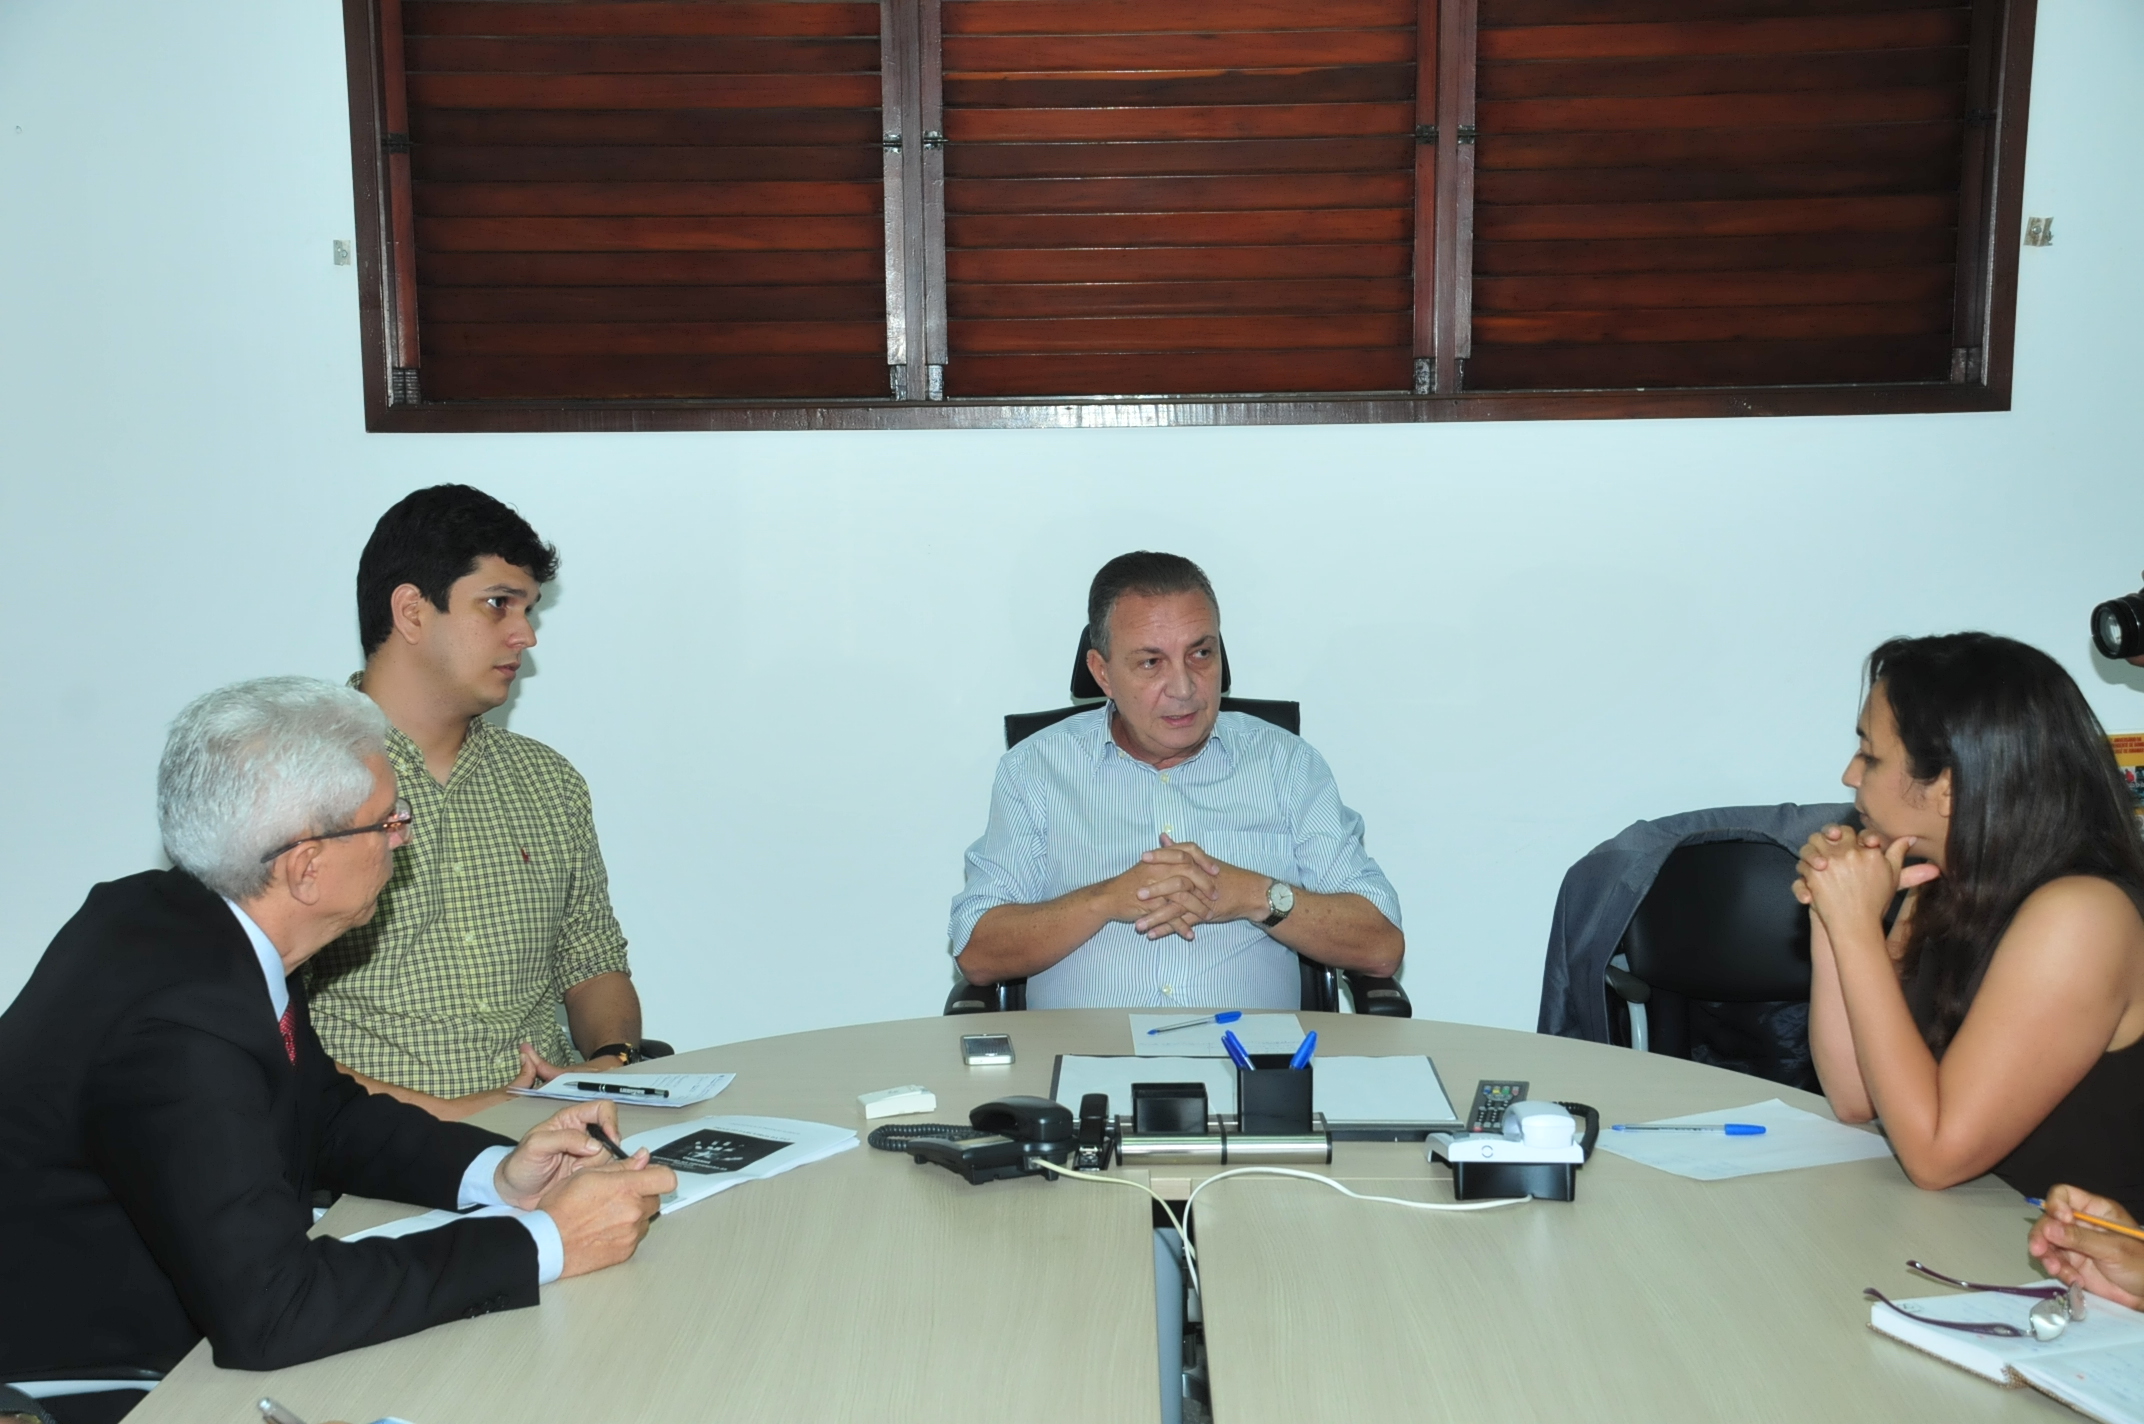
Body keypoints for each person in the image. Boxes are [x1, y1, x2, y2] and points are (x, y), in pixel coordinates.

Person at [0, 678, 674, 1420]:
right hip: (110, 1383)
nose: (403, 834)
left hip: (193, 1332)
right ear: (306, 866)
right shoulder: (180, 1032)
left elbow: (322, 1116)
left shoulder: (175, 920)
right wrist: (546, 1241)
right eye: (387, 821)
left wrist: (499, 1176)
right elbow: (274, 1310)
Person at [308, 485, 648, 1120]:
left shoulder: (547, 782)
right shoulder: (299, 780)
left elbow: (593, 960)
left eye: (530, 611)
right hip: (369, 1160)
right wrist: (480, 1112)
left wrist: (610, 1062)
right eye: (498, 605)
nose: (525, 636)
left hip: (550, 1138)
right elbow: (266, 1037)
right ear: (411, 612)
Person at [951, 551, 1403, 1009]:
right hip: (1087, 1063)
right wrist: (1106, 900)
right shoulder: (1036, 769)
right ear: (1102, 672)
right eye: (1151, 663)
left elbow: (1381, 946)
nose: (1184, 688)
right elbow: (978, 953)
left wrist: (1253, 895)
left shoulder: (1285, 764)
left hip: (1250, 1065)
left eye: (1200, 654)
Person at [1798, 632, 2144, 1206]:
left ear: (1950, 788)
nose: (1850, 776)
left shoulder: (2083, 916)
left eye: (1871, 755)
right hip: (1972, 1236)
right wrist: (1832, 916)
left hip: (2077, 1277)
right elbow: (1858, 1095)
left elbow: (1936, 1156)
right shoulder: (1942, 880)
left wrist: (1858, 929)